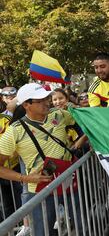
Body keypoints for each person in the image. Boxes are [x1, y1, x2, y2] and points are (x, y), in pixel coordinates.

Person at [0, 83, 82, 235]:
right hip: (39, 191)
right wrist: (24, 177)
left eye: (46, 98)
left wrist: (75, 108)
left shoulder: (58, 114)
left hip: (69, 181)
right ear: (26, 104)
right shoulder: (14, 131)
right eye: (40, 100)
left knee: (83, 224)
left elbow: (86, 121)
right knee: (42, 231)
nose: (47, 102)